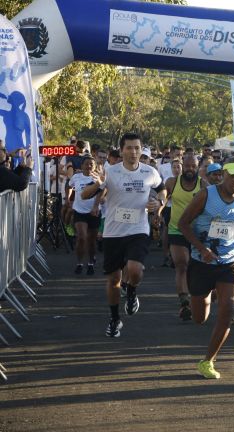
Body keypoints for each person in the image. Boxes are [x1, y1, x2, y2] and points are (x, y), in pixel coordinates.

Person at [178, 157, 234, 379]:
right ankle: (210, 293)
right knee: (199, 318)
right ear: (223, 174)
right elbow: (183, 224)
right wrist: (201, 249)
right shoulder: (206, 195)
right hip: (201, 262)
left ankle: (208, 362)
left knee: (228, 311)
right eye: (232, 175)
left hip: (229, 262)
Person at [81, 133, 166, 338]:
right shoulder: (110, 172)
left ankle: (132, 291)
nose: (133, 152)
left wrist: (159, 204)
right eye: (129, 148)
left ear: (141, 149)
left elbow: (162, 190)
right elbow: (84, 195)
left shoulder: (149, 172)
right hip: (113, 232)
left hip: (138, 229)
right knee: (113, 280)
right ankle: (114, 318)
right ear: (121, 151)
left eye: (137, 148)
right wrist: (99, 184)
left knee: (134, 270)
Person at [166, 155, 207, 321]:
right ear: (182, 166)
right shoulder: (172, 182)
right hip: (176, 230)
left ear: (198, 168)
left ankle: (199, 297)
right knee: (181, 264)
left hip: (197, 233)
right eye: (187, 166)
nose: (190, 169)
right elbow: (163, 198)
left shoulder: (203, 185)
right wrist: (158, 211)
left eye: (193, 166)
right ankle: (184, 302)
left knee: (195, 268)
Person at [69, 157, 101, 275]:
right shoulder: (76, 177)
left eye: (91, 164)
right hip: (79, 211)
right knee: (81, 237)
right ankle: (79, 263)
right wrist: (69, 199)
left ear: (95, 166)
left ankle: (91, 262)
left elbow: (101, 191)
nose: (89, 166)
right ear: (81, 166)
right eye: (86, 164)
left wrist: (96, 206)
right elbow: (69, 186)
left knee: (91, 241)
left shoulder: (98, 178)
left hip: (93, 212)